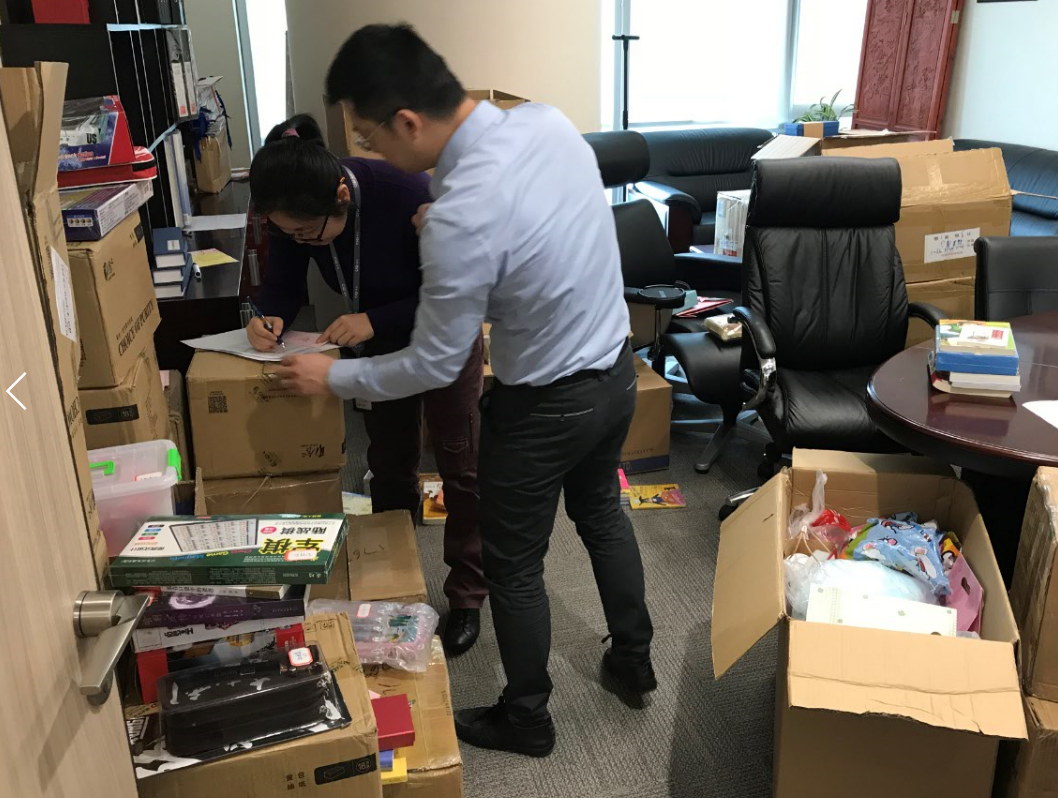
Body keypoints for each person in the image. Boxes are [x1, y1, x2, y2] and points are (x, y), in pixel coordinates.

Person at [276, 24, 655, 758]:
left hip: (542, 406)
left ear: (408, 121)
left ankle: (528, 716)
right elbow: (536, 235)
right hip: (615, 372)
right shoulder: (547, 122)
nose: (369, 154)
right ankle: (634, 660)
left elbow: (432, 363)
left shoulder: (458, 216)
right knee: (603, 516)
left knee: (515, 567)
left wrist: (334, 375)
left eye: (371, 139)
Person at [249, 113, 486, 656]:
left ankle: (468, 594)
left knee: (460, 464)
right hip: (382, 347)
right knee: (390, 459)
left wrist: (375, 319)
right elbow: (283, 282)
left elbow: (458, 290)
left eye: (308, 233)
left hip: (444, 338)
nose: (300, 240)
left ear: (341, 196)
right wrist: (268, 316)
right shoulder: (295, 210)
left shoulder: (405, 193)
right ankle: (394, 576)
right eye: (289, 233)